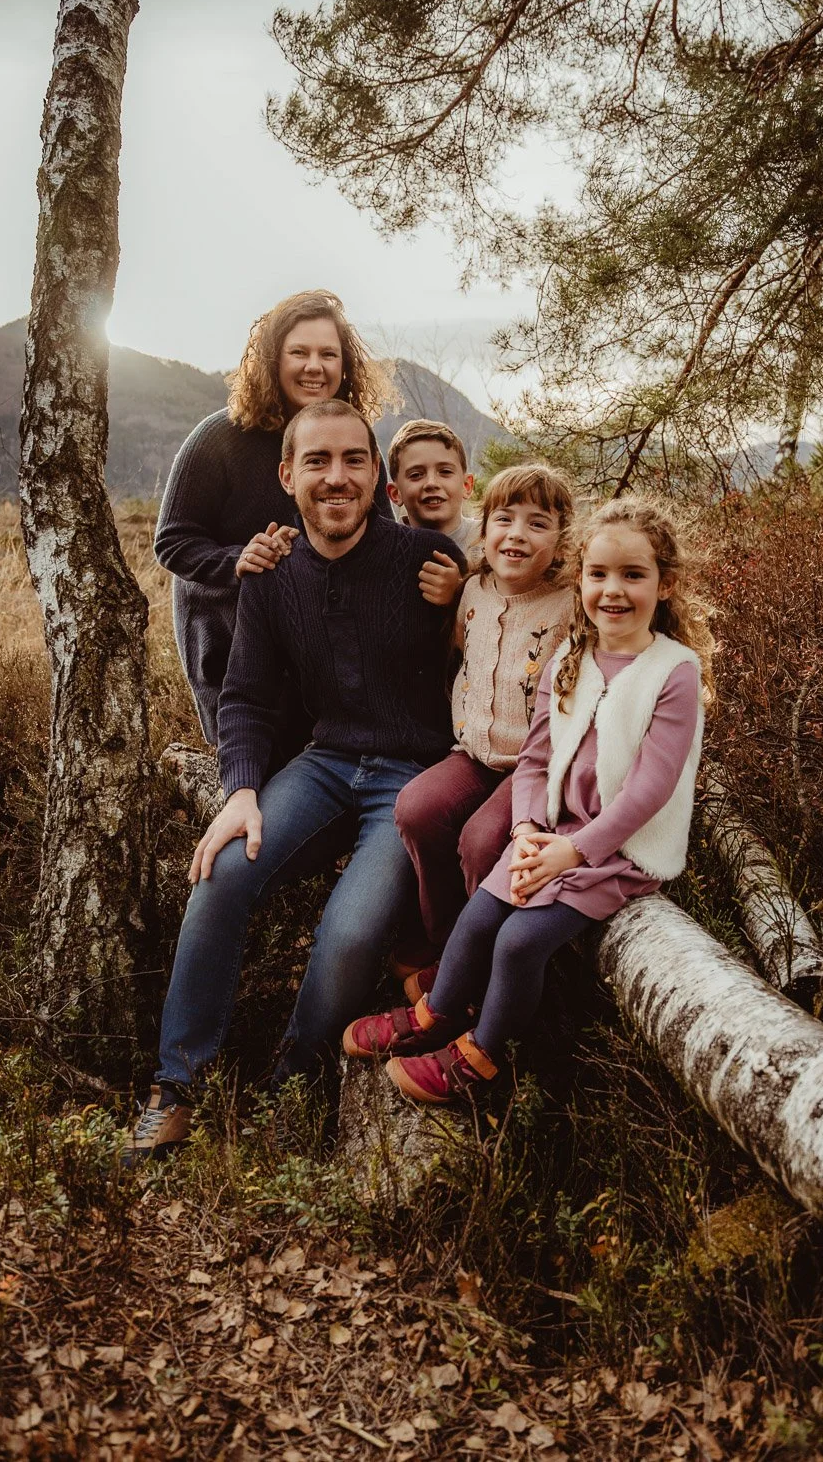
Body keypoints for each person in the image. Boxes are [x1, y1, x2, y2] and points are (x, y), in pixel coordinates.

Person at [122, 401, 466, 1165]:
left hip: (408, 781)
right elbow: (243, 696)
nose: (336, 477)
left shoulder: (427, 561)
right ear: (288, 475)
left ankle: (293, 1086)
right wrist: (241, 790)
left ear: (376, 475)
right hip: (325, 764)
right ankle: (177, 1089)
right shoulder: (274, 576)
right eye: (317, 462)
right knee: (219, 875)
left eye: (353, 460)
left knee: (348, 934)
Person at [343, 495, 715, 1105]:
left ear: (665, 584)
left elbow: (650, 788)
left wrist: (573, 852)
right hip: (551, 831)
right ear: (580, 580)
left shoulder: (672, 671)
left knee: (518, 942)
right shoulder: (571, 657)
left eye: (633, 575)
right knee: (481, 915)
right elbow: (536, 760)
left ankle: (483, 1057)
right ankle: (434, 1015)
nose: (612, 591)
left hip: (618, 850)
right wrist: (525, 832)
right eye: (598, 575)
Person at [154, 290, 395, 748]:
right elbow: (173, 541)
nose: (314, 366)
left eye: (329, 354)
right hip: (230, 643)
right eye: (298, 352)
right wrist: (237, 561)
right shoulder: (219, 437)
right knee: (262, 771)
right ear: (271, 360)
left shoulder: (350, 437)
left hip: (319, 645)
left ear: (345, 366)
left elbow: (382, 534)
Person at [390, 463, 576, 997]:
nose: (516, 533)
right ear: (485, 528)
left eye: (537, 524)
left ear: (561, 540)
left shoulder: (568, 604)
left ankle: (484, 970)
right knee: (417, 808)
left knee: (481, 842)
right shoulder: (471, 592)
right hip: (472, 753)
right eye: (504, 519)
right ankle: (447, 943)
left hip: (531, 767)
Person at [386, 419, 483, 600]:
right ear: (395, 493)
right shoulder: (385, 553)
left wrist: (458, 593)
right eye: (416, 475)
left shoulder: (491, 542)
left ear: (467, 486)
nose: (431, 483)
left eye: (445, 472)